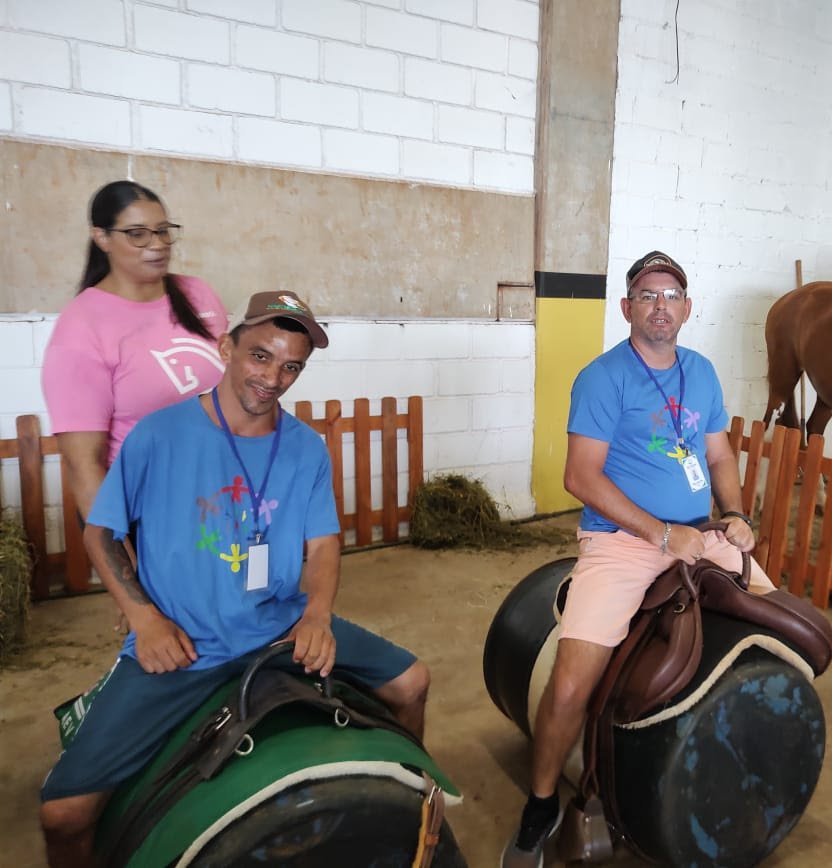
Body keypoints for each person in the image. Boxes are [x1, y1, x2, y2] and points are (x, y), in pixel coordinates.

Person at [39, 292, 431, 868]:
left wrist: (318, 614)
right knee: (64, 814)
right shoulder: (160, 435)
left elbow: (322, 543)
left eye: (292, 365)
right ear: (227, 348)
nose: (274, 377)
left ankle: (406, 817)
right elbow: (101, 532)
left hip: (279, 627)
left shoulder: (305, 448)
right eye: (261, 357)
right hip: (186, 646)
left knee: (414, 682)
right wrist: (145, 619)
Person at [501, 251, 774, 868]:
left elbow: (722, 456)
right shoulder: (603, 377)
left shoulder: (701, 372)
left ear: (686, 307)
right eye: (647, 295)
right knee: (571, 682)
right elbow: (579, 475)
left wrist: (736, 516)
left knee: (777, 615)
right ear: (627, 308)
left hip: (703, 532)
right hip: (623, 541)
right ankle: (541, 804)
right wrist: (657, 533)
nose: (660, 305)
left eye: (671, 294)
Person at [41, 180, 229, 525]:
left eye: (162, 231)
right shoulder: (81, 328)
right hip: (146, 506)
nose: (156, 245)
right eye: (137, 234)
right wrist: (117, 556)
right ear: (102, 237)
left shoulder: (197, 293)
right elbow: (84, 465)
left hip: (220, 489)